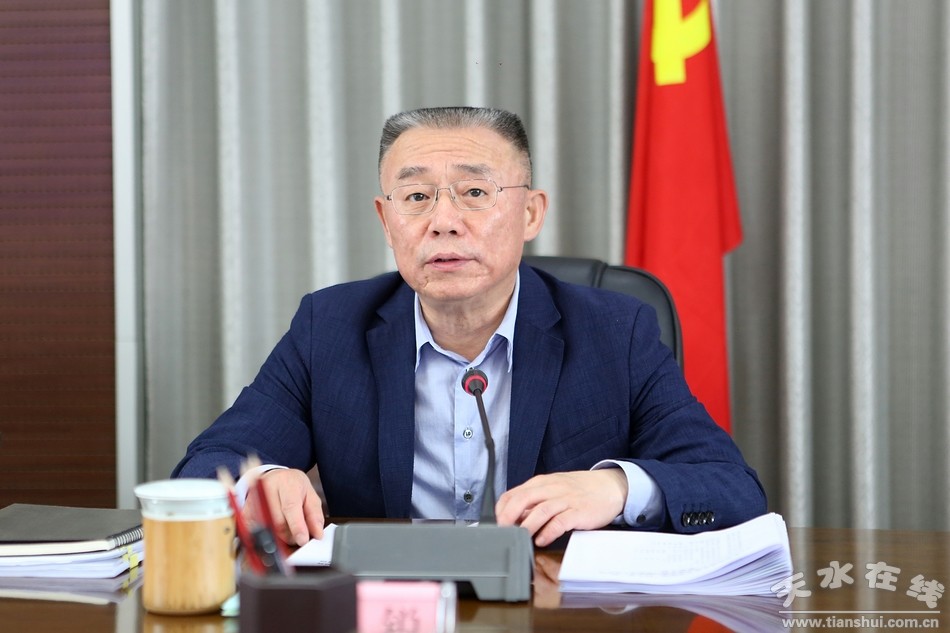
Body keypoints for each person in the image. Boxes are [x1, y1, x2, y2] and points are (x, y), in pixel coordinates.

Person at [173, 106, 766, 548]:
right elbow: (205, 466)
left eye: (475, 192)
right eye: (416, 196)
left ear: (530, 213)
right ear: (386, 220)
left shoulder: (616, 331)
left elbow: (732, 488)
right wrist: (263, 482)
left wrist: (615, 489)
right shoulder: (328, 327)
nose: (443, 221)